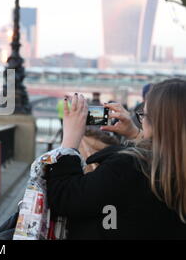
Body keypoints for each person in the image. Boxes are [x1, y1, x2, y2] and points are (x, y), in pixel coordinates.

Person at [46, 79, 186, 239]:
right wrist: (135, 133)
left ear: (158, 122)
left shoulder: (129, 167)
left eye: (143, 115)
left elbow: (63, 198)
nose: (141, 120)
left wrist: (69, 141)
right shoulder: (174, 166)